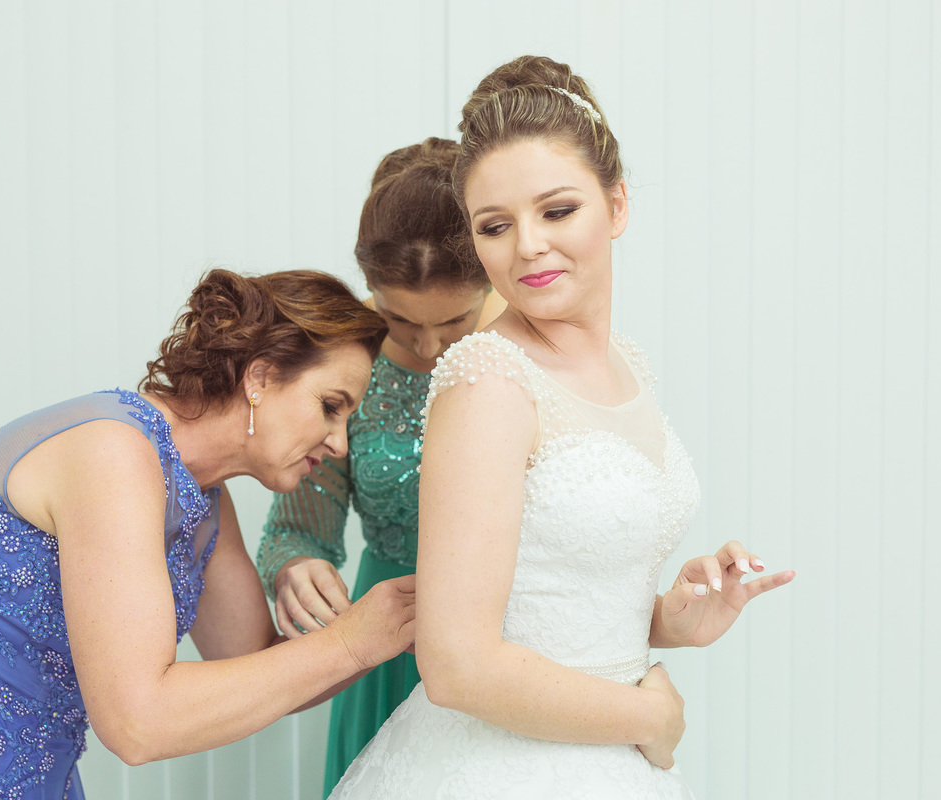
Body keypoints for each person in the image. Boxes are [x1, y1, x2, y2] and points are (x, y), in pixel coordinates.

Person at [330, 56, 796, 799]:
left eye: (556, 211)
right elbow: (456, 665)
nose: (528, 247)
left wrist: (671, 618)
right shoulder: (487, 380)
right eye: (494, 225)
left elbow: (551, 598)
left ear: (617, 205)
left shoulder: (626, 363)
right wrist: (646, 715)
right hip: (498, 770)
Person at [0, 269, 416, 800]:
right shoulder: (116, 452)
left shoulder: (204, 501)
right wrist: (354, 644)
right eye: (331, 406)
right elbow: (139, 721)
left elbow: (257, 667)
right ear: (260, 376)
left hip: (29, 773)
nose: (338, 443)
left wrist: (399, 624)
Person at [255, 137, 504, 796]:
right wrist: (296, 567)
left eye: (455, 321)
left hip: (514, 640)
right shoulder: (344, 367)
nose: (427, 346)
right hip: (389, 640)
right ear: (369, 289)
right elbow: (299, 530)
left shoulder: (537, 347)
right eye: (398, 320)